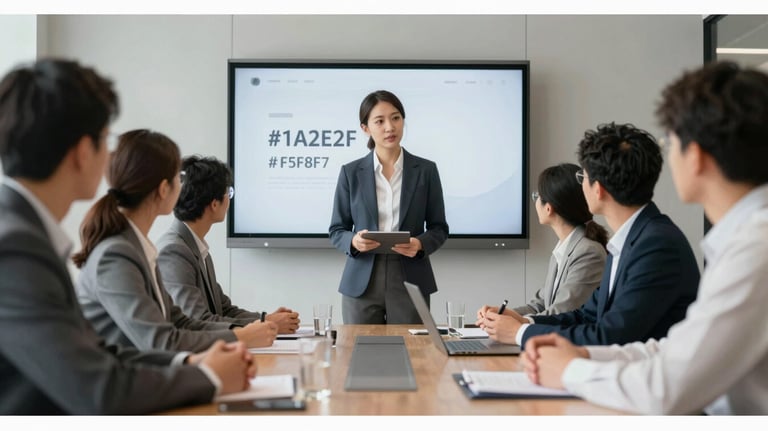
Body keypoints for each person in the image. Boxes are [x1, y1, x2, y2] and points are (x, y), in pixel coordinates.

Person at [0, 58, 254, 414]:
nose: (110, 157)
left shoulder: (25, 233)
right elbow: (99, 389)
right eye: (106, 140)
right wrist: (209, 377)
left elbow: (98, 355)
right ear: (82, 151)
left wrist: (192, 366)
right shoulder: (15, 248)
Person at [522, 61, 768, 415]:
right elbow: (674, 349)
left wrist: (571, 370)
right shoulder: (742, 240)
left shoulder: (754, 250)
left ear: (695, 155)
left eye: (672, 143)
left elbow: (666, 387)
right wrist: (583, 355)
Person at [479, 122, 700, 347]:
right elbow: (586, 316)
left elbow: (609, 336)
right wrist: (524, 320)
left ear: (598, 189)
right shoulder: (631, 240)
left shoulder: (656, 246)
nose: (580, 186)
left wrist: (520, 334)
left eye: (582, 178)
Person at [73, 129, 278, 352]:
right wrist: (240, 337)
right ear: (163, 189)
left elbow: (180, 322)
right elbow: (161, 342)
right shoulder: (116, 255)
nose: (183, 187)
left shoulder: (137, 248)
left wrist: (243, 333)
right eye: (178, 179)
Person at [329, 90, 449, 324]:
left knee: (413, 353)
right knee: (360, 353)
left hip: (410, 275)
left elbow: (439, 228)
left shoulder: (426, 171)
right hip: (361, 278)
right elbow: (336, 229)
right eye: (379, 121)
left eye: (396, 118)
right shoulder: (350, 173)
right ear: (366, 128)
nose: (389, 127)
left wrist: (420, 244)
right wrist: (353, 241)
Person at [157, 155, 300, 332]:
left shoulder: (196, 247)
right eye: (228, 193)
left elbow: (224, 309)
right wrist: (266, 326)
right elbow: (196, 320)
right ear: (215, 204)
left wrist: (266, 319)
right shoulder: (174, 251)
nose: (230, 199)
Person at [478, 163, 608, 319]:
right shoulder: (563, 249)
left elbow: (561, 313)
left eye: (537, 196)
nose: (535, 201)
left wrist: (513, 325)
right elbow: (539, 305)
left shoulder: (588, 252)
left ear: (549, 208)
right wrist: (504, 314)